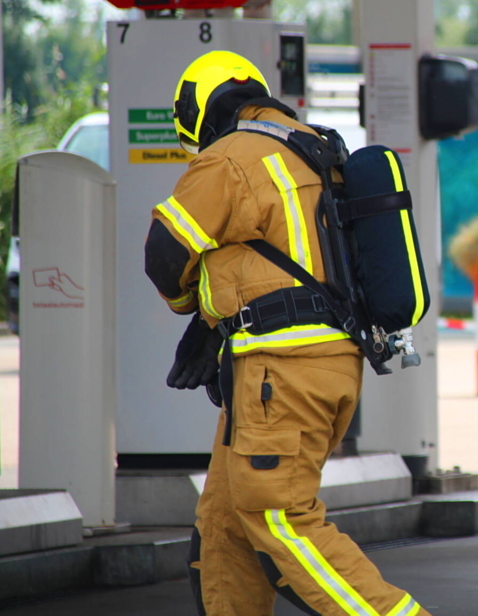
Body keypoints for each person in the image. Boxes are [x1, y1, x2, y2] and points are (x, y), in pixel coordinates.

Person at [144, 50, 428, 616]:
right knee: (225, 528)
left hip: (282, 371)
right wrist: (215, 323)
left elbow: (164, 253)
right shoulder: (318, 150)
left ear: (200, 112)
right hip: (318, 364)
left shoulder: (230, 157)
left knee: (280, 517)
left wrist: (187, 308)